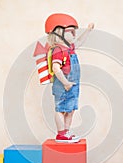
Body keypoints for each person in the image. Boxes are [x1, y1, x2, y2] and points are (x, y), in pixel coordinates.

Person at [45, 13, 94, 143]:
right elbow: (56, 68)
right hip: (64, 84)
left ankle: (66, 131)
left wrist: (88, 31)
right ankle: (61, 134)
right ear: (59, 33)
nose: (74, 35)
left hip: (72, 84)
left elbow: (79, 42)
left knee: (70, 109)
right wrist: (66, 82)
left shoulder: (69, 48)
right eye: (71, 32)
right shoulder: (58, 50)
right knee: (61, 109)